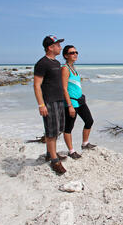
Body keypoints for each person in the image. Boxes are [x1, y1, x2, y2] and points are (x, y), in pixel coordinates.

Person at [33, 35, 67, 175]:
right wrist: (41, 104)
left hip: (59, 100)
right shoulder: (42, 63)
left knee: (59, 129)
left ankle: (49, 152)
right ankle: (54, 160)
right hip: (49, 101)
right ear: (50, 47)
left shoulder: (57, 63)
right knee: (51, 131)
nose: (60, 47)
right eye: (57, 45)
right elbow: (36, 85)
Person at [61, 45, 96, 157]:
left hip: (80, 101)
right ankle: (71, 151)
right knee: (68, 127)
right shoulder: (65, 69)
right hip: (72, 102)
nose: (75, 54)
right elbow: (64, 88)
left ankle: (85, 143)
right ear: (66, 55)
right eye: (72, 53)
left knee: (89, 121)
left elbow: (75, 86)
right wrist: (70, 105)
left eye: (76, 52)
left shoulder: (73, 68)